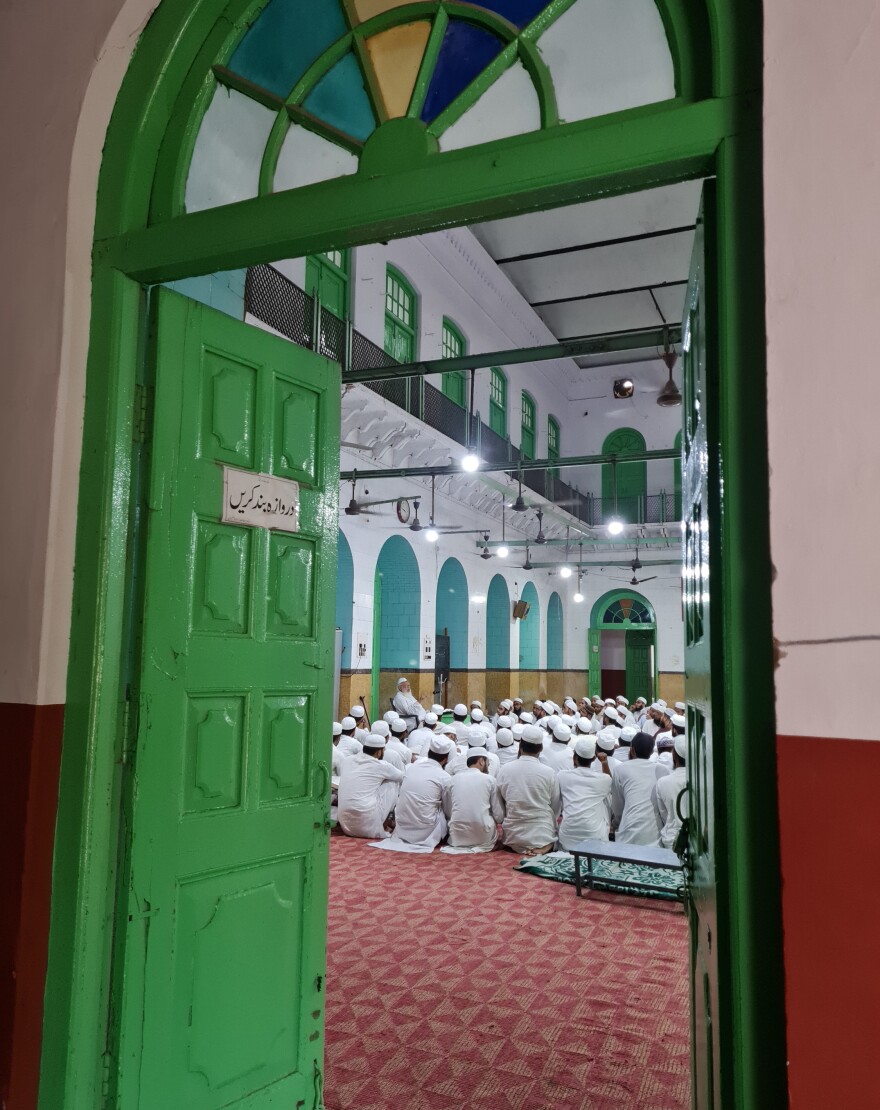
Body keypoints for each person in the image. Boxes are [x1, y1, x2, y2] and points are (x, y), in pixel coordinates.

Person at [495, 725, 561, 856]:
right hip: (542, 834)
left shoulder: (505, 770)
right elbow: (555, 808)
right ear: (541, 748)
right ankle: (546, 845)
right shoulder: (549, 772)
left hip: (513, 835)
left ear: (520, 745)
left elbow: (500, 806)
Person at [337, 734, 405, 839]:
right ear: (379, 752)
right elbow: (403, 777)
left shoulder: (348, 760)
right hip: (367, 824)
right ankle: (388, 820)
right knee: (392, 782)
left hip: (346, 825)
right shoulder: (381, 765)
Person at [393, 735, 455, 848]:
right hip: (426, 830)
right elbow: (448, 808)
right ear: (446, 758)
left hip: (402, 825)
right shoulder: (444, 777)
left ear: (428, 752)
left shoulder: (411, 768)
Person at [557, 735, 614, 848]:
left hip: (568, 838)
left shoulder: (562, 775)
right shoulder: (603, 779)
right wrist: (604, 762)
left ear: (574, 757)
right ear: (593, 759)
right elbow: (609, 781)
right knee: (606, 798)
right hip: (595, 839)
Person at [444, 747, 504, 852]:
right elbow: (499, 816)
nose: (488, 765)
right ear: (481, 761)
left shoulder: (452, 780)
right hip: (483, 836)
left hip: (457, 835)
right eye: (487, 762)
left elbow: (448, 812)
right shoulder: (490, 780)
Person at [611, 731, 662, 845]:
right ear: (650, 752)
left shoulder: (620, 769)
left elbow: (618, 808)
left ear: (632, 750)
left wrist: (616, 826)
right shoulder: (662, 770)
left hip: (628, 835)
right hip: (655, 836)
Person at [655, 734, 689, 849]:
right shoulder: (702, 780)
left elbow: (664, 814)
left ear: (673, 755)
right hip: (696, 839)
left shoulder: (663, 782)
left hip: (671, 839)